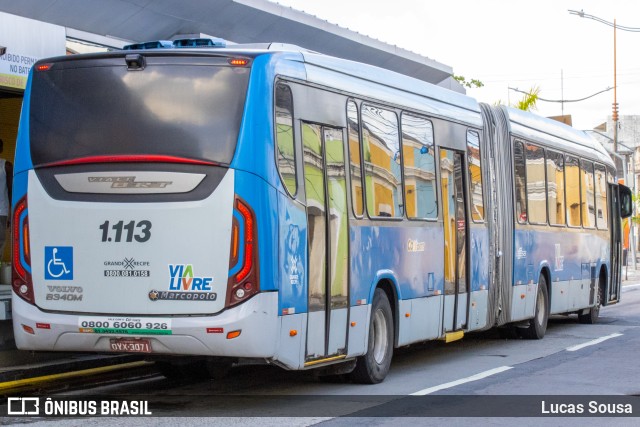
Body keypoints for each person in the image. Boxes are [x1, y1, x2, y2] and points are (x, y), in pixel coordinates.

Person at [0, 139, 12, 257]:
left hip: (1, 212)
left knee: (0, 243)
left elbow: (11, 190)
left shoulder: (6, 166)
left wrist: (10, 213)